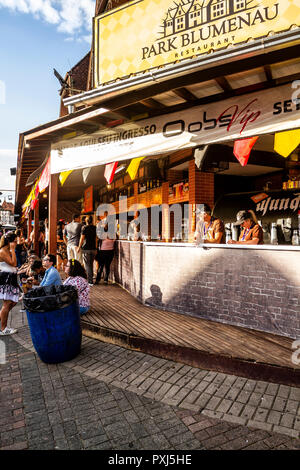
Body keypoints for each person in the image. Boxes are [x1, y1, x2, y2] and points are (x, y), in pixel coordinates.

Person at [0, 232, 19, 335]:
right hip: (6, 279)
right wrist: (13, 250)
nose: (16, 243)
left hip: (11, 278)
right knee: (7, 304)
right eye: (15, 241)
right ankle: (3, 329)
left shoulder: (7, 250)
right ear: (10, 241)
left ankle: (2, 321)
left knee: (13, 302)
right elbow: (13, 263)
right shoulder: (3, 251)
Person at [77, 215, 96, 286]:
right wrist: (96, 247)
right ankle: (90, 279)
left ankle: (90, 281)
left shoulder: (84, 228)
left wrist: (79, 247)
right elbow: (96, 238)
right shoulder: (95, 228)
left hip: (86, 249)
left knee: (87, 265)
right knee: (91, 264)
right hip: (93, 249)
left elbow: (82, 239)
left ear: (86, 221)